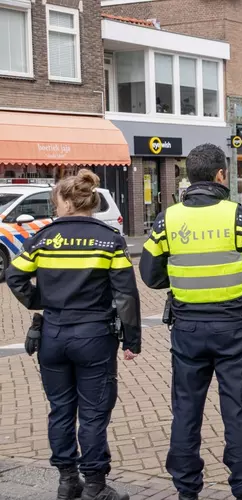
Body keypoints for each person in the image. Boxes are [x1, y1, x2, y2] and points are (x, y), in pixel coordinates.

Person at [139, 144, 242, 500]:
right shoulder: (239, 216)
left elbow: (151, 276)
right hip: (233, 331)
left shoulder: (167, 219)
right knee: (237, 413)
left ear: (190, 177)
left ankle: (187, 491)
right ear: (220, 176)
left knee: (185, 411)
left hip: (187, 331)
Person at [5, 170, 141, 500]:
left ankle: (68, 482)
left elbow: (14, 276)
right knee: (94, 413)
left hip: (52, 336)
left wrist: (41, 300)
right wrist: (132, 340)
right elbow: (125, 294)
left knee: (61, 409)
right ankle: (95, 486)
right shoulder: (109, 239)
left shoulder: (43, 238)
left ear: (67, 202)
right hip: (95, 337)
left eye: (55, 202)